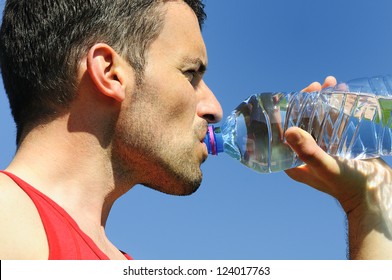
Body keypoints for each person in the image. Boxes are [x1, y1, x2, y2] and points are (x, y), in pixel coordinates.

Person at [0, 0, 391, 260]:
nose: (215, 108)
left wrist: (368, 203)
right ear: (109, 72)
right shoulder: (10, 220)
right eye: (191, 74)